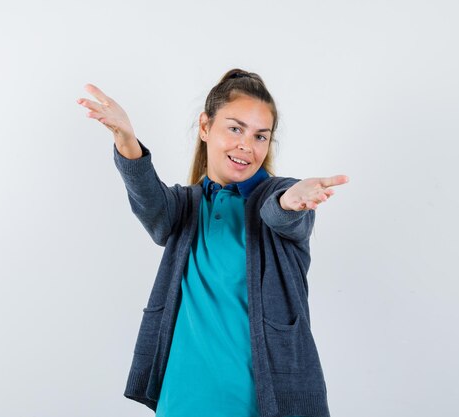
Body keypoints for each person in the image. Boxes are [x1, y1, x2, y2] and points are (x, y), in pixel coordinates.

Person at [77, 68, 349, 417]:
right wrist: (127, 140)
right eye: (235, 128)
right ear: (205, 127)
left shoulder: (283, 196)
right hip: (182, 400)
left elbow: (282, 214)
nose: (246, 146)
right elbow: (152, 205)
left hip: (260, 404)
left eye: (260, 136)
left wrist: (289, 202)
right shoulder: (185, 206)